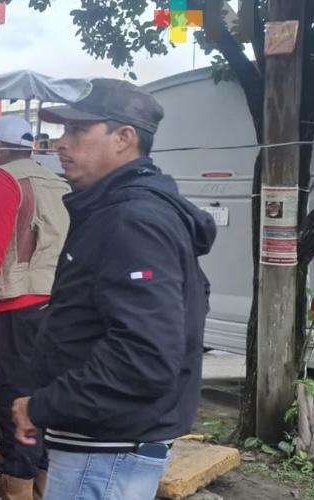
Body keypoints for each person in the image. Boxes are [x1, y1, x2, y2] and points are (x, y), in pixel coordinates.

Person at [12, 79, 215, 499]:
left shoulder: (133, 220)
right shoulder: (117, 211)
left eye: (77, 131)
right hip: (105, 447)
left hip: (107, 453)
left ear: (125, 138)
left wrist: (43, 404)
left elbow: (144, 355)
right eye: (61, 131)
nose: (60, 143)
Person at [0, 115, 70, 500]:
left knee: (12, 402)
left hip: (11, 310)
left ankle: (17, 490)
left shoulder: (1, 179)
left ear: (0, 148)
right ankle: (43, 488)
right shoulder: (56, 181)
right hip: (51, 308)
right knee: (41, 400)